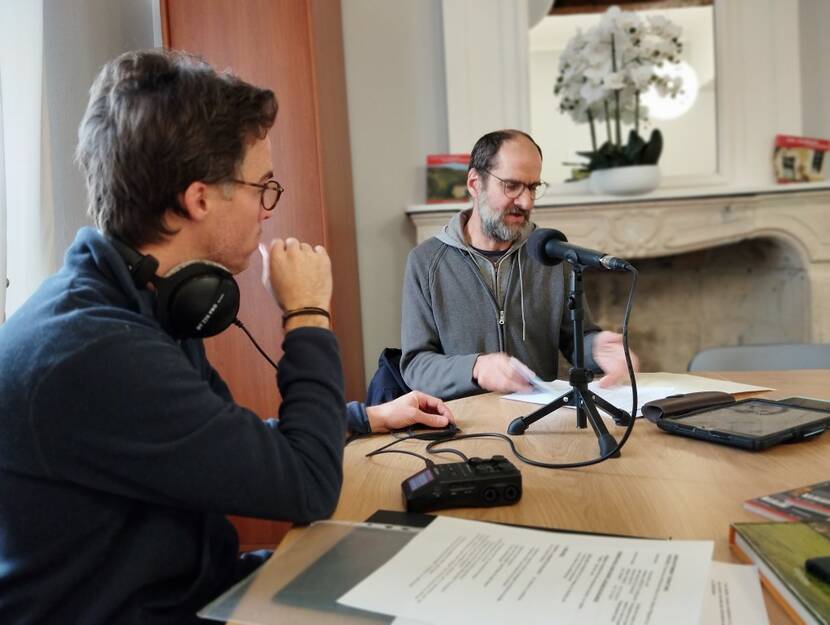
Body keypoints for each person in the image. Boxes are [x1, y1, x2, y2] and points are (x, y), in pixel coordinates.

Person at [0, 49, 452, 625]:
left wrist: (363, 418)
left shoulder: (142, 297)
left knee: (411, 563)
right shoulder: (95, 348)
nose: (268, 209)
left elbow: (211, 447)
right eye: (261, 185)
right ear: (199, 198)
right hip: (148, 610)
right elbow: (307, 487)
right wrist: (307, 312)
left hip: (189, 589)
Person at [400, 129, 638, 400]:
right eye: (511, 186)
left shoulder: (551, 253)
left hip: (539, 420)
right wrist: (476, 367)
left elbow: (575, 340)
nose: (526, 202)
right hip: (465, 425)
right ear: (475, 184)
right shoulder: (426, 262)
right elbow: (416, 366)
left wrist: (596, 348)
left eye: (533, 187)